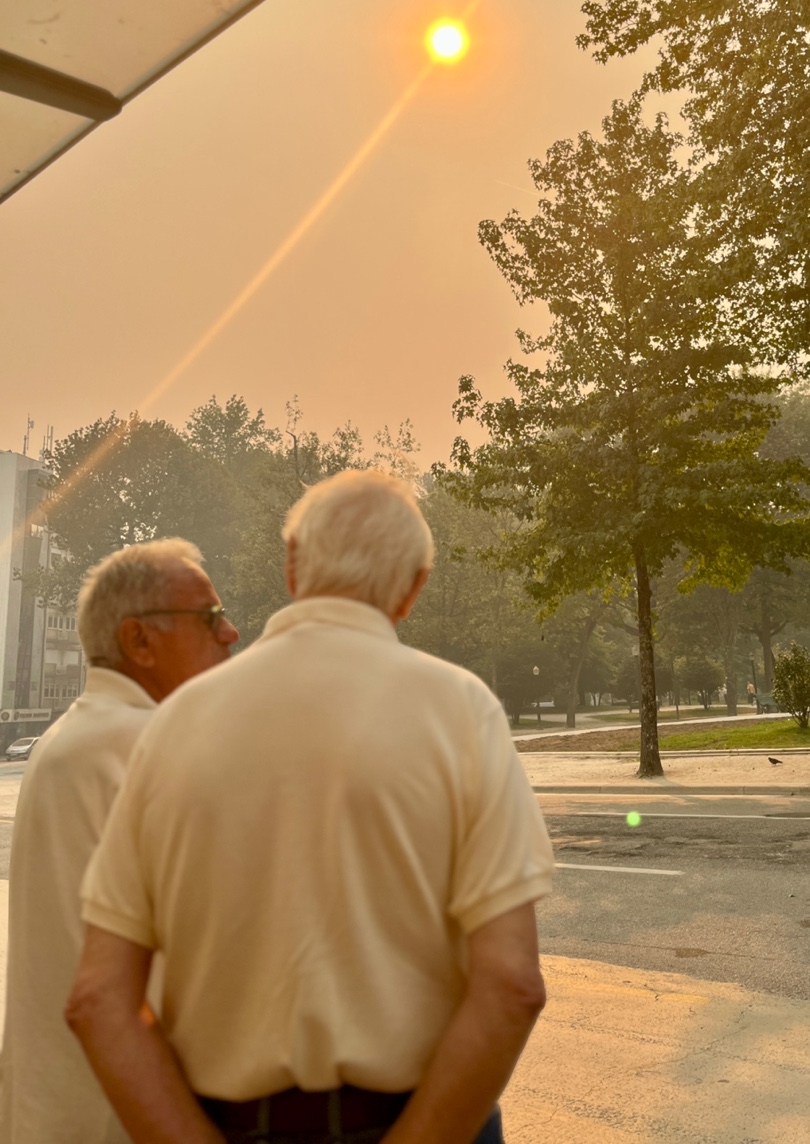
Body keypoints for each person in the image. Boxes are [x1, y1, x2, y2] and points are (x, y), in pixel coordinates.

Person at [67, 470, 554, 1144]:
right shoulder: (460, 710)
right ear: (413, 589)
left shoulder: (175, 723)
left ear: (293, 565)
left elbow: (97, 1000)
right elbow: (512, 986)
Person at [0, 538, 237, 1144]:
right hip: (129, 1114)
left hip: (56, 1109)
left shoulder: (71, 739)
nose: (230, 633)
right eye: (208, 618)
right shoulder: (151, 747)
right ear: (138, 640)